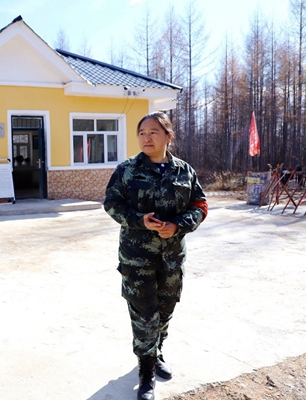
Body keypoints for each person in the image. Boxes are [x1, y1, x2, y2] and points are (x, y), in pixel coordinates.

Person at [103, 112, 208, 400]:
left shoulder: (184, 171)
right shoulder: (127, 170)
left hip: (172, 259)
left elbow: (200, 205)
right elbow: (111, 203)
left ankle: (156, 351)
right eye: (142, 133)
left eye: (153, 132)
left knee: (165, 310)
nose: (146, 138)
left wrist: (178, 225)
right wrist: (139, 220)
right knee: (144, 315)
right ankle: (146, 370)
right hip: (137, 260)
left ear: (168, 136)